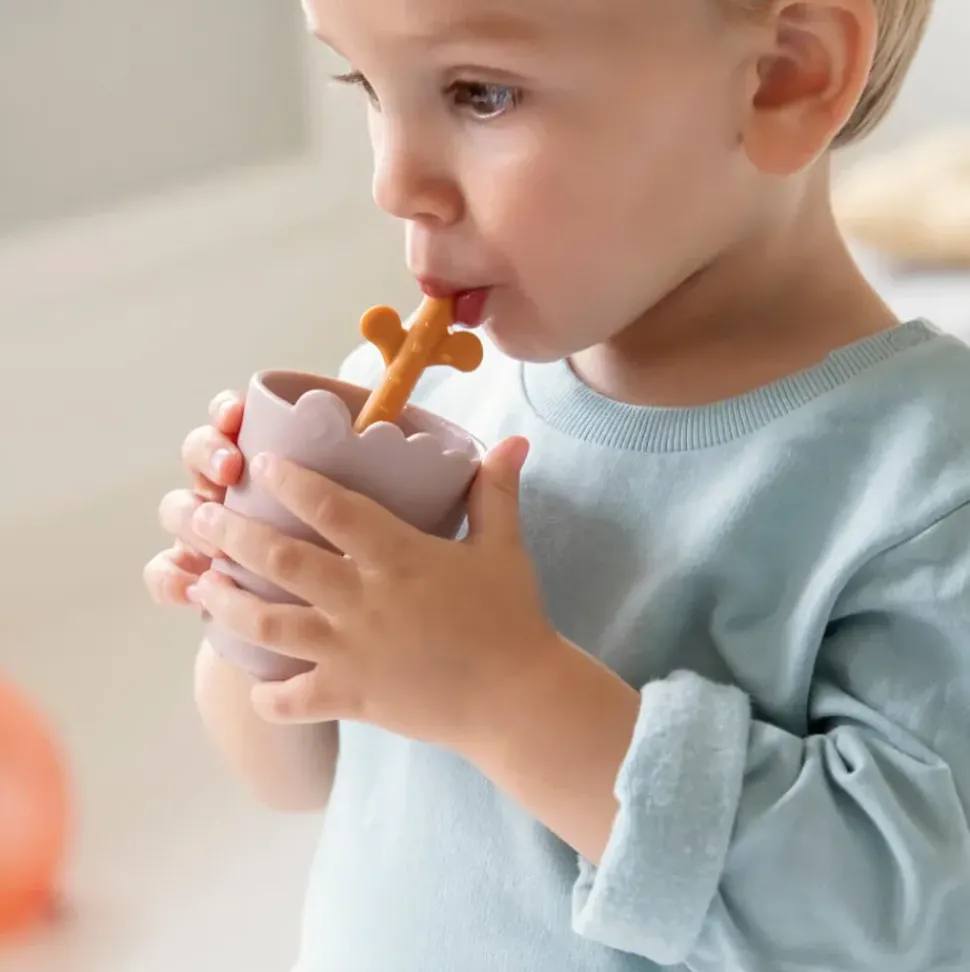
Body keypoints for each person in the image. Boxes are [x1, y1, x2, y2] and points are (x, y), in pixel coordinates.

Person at [144, 1, 970, 969]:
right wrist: (262, 609)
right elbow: (290, 779)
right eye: (365, 84)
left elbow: (897, 924)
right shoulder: (412, 415)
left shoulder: (924, 484)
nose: (393, 184)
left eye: (480, 94)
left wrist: (506, 693)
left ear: (783, 73)